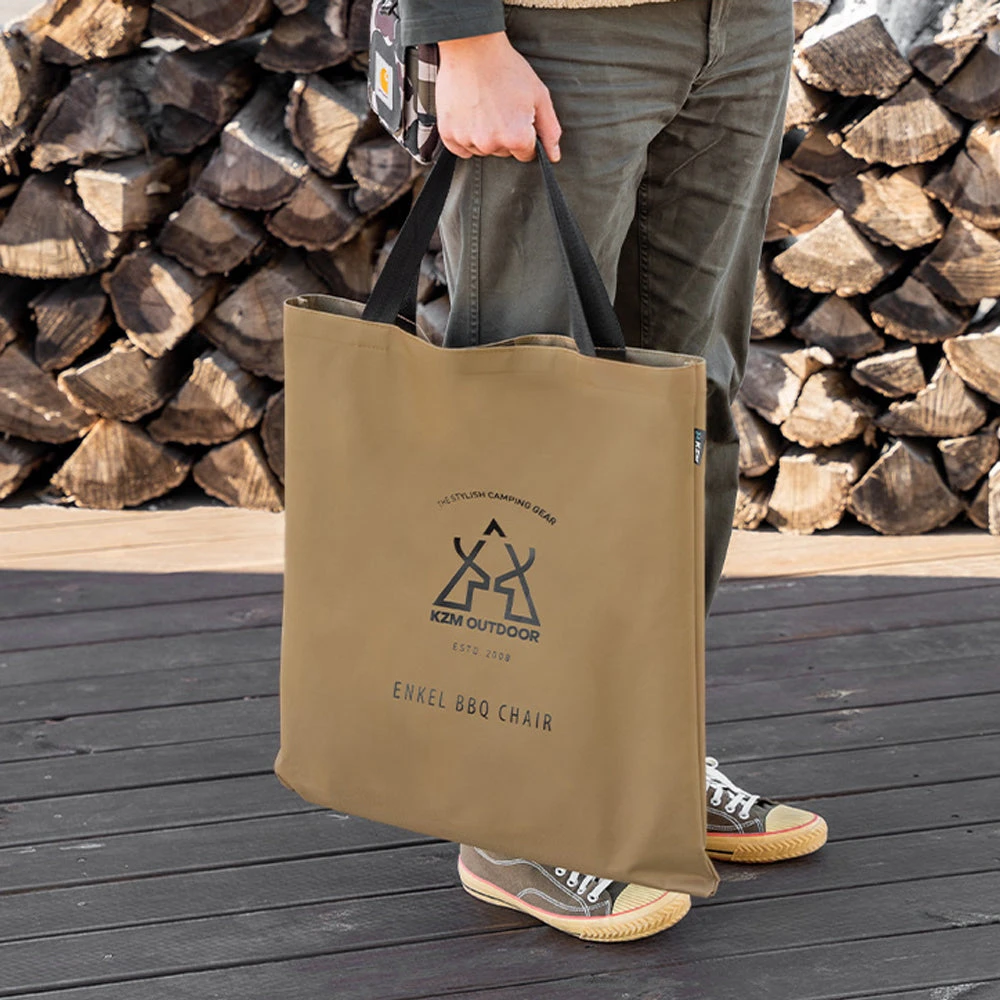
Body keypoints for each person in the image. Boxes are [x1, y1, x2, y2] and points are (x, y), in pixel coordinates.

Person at [397, 0, 828, 943]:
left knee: (686, 410)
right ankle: (510, 815)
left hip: (742, 27)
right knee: (529, 420)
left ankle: (645, 770)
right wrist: (464, 36)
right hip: (556, 32)